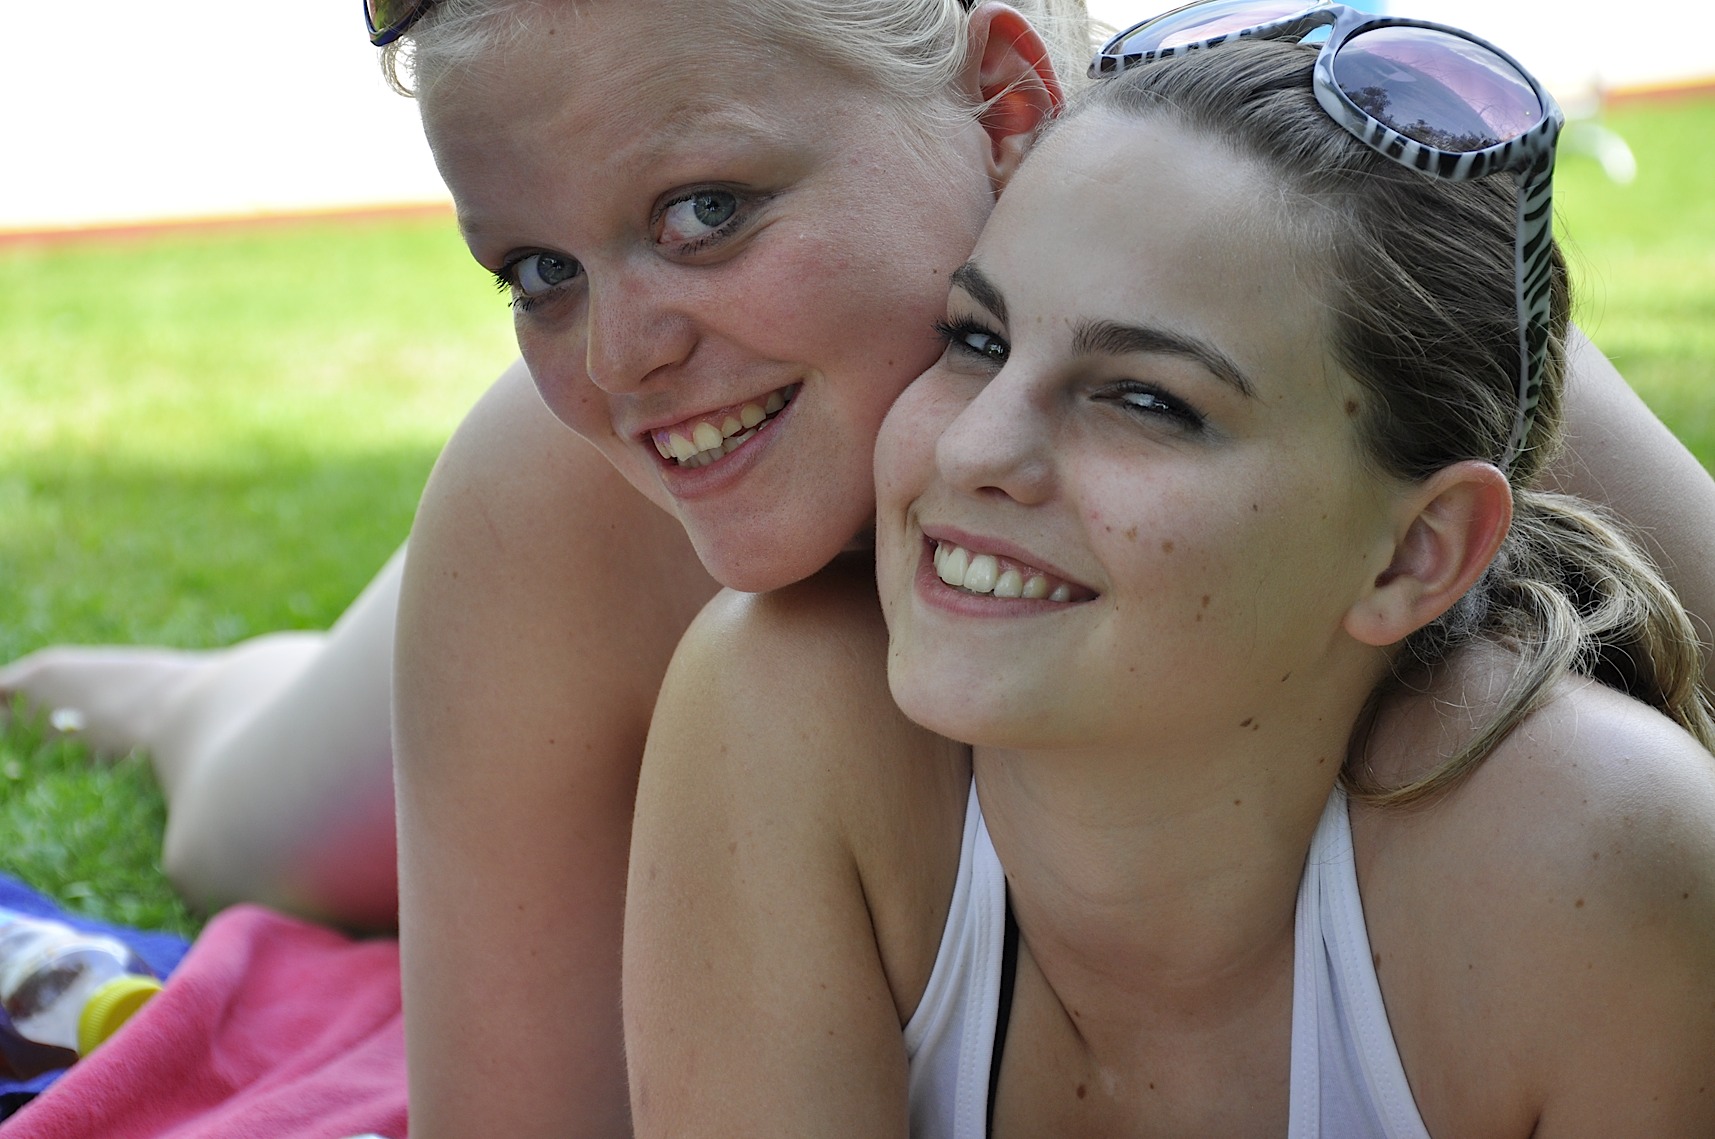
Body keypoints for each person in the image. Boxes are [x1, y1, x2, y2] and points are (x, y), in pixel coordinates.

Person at [4, 0, 1715, 1134]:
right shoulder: (566, 490)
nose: (619, 353)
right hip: (588, 594)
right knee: (253, 819)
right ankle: (203, 691)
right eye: (533, 269)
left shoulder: (1324, 294)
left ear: (1007, 102)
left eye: (706, 210)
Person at [623, 19, 1715, 1138]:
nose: (971, 447)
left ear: (1414, 551)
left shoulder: (1586, 862)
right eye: (977, 338)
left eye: (1145, 398)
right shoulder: (779, 711)